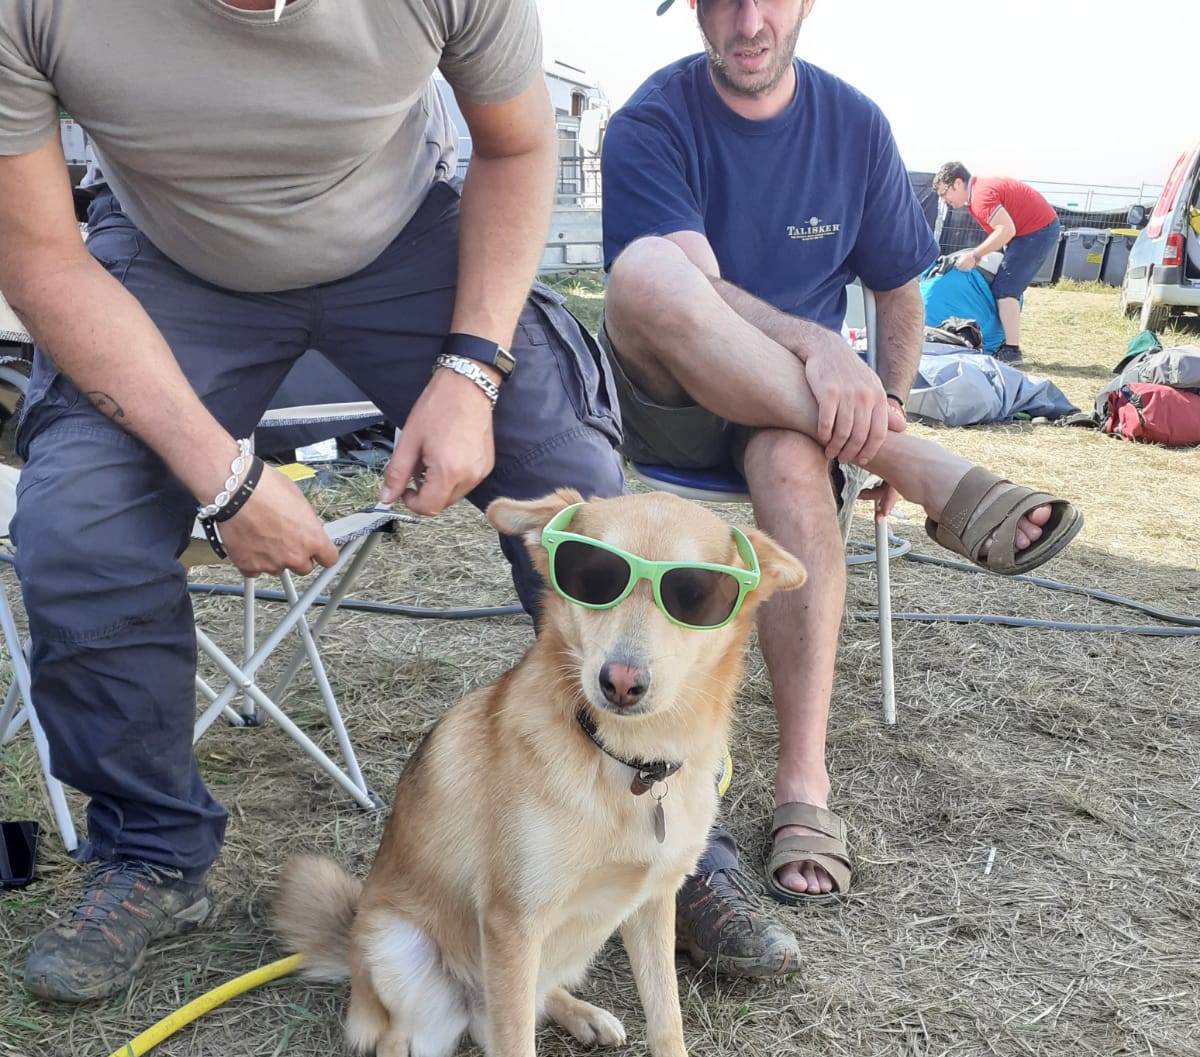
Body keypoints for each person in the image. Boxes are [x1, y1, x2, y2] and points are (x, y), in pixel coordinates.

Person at [0, 0, 625, 1003]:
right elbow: (37, 253)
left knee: (582, 499)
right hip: (168, 258)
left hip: (406, 235)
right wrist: (225, 476)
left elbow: (514, 147)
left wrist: (472, 373)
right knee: (77, 527)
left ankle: (652, 812)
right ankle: (151, 850)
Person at [600, 0, 1083, 972]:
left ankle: (802, 788)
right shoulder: (652, 119)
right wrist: (820, 344)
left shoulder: (853, 123)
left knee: (788, 461)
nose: (746, 19)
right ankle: (927, 468)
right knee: (647, 275)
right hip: (675, 392)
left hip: (797, 416)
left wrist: (884, 408)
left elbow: (901, 289)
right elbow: (684, 292)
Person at [933, 162, 1061, 365]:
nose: (944, 200)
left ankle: (1012, 351)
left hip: (1036, 231)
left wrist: (975, 256)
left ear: (957, 183)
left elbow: (1005, 230)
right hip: (1029, 231)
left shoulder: (980, 197)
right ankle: (1004, 342)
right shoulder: (977, 193)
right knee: (1004, 284)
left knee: (1005, 290)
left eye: (944, 192)